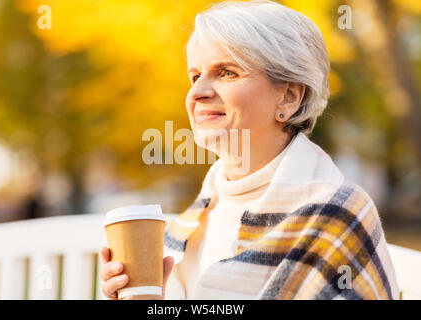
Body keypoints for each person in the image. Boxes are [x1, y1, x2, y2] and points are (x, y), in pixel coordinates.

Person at [99, 0, 399, 300]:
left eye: (227, 72)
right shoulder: (191, 223)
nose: (195, 93)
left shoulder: (336, 215)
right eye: (195, 76)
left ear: (289, 98)